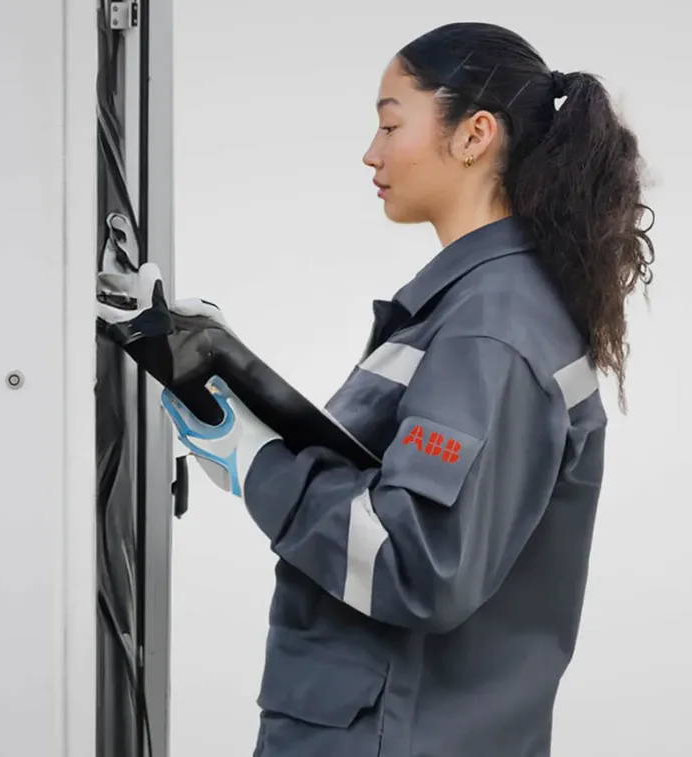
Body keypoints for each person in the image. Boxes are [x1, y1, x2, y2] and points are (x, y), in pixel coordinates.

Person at [158, 21, 655, 757]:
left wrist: (257, 465)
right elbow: (384, 477)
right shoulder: (483, 304)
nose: (372, 151)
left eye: (392, 122)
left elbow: (416, 566)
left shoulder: (488, 327)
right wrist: (241, 386)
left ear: (474, 134)